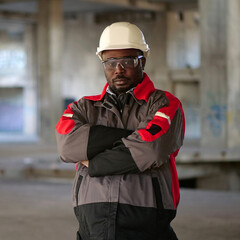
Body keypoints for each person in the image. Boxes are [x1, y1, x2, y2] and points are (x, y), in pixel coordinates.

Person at [56, 22, 185, 240]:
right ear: (102, 63)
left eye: (128, 61)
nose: (119, 69)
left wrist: (94, 163)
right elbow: (67, 146)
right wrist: (134, 136)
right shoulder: (83, 107)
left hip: (148, 222)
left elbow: (153, 150)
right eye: (110, 61)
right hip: (92, 225)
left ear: (142, 60)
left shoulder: (165, 103)